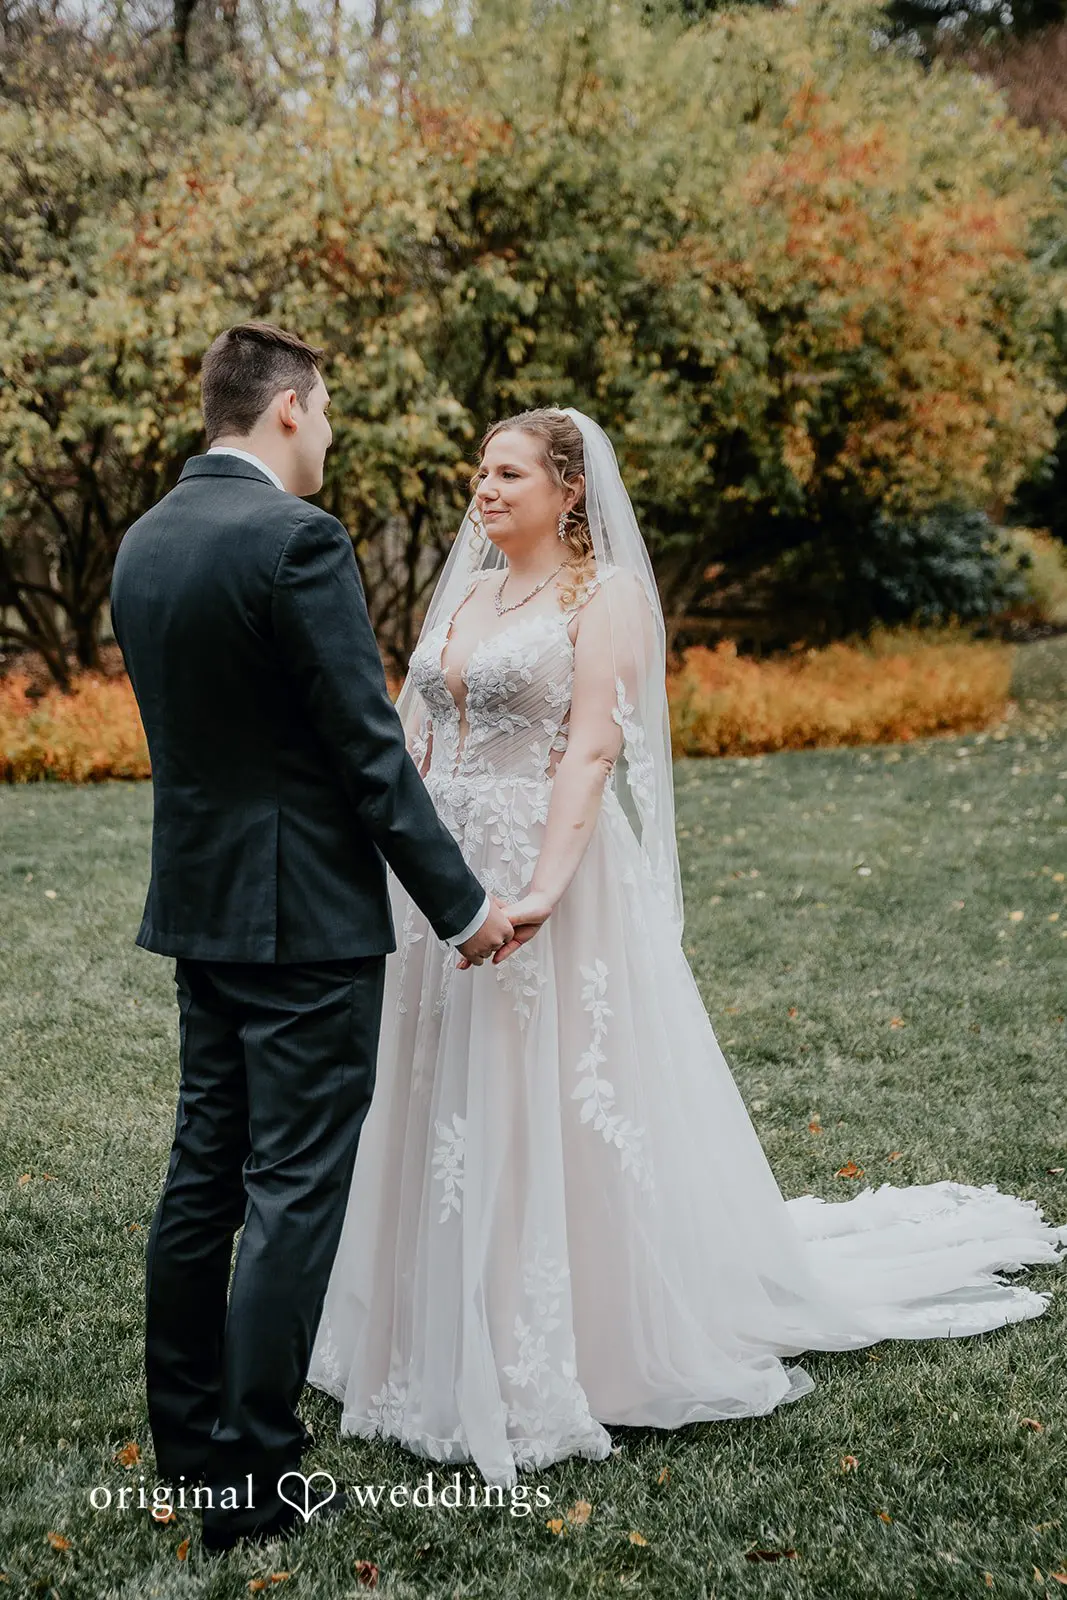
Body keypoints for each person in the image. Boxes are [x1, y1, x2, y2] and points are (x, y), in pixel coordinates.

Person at [307, 404, 1067, 1489]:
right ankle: (414, 1328)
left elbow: (586, 753)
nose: (484, 490)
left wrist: (540, 891)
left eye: (509, 474)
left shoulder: (600, 596)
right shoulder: (467, 593)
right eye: (480, 472)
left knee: (546, 1094)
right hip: (436, 882)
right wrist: (406, 869)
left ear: (569, 492)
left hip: (542, 871)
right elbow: (411, 735)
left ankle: (571, 1337)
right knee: (433, 1094)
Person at [109, 321, 515, 1551]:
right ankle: (257, 1477)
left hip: (202, 910)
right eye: (326, 411)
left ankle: (191, 1447)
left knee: (201, 1176)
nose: (329, 434)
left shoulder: (147, 539)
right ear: (287, 407)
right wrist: (463, 903)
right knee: (291, 1192)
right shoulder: (296, 540)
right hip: (305, 930)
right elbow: (363, 750)